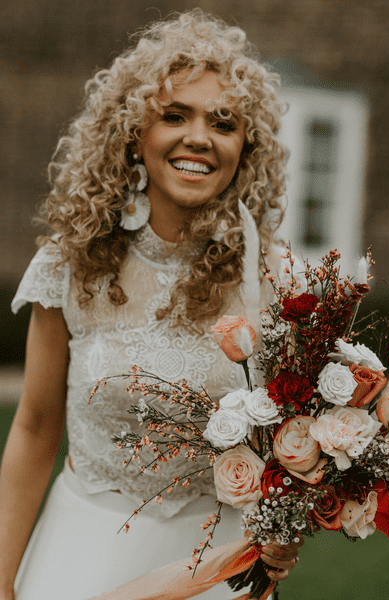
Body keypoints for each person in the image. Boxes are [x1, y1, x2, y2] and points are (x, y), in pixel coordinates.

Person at [0, 10, 302, 600]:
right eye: (173, 115)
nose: (199, 137)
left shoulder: (276, 278)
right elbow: (35, 428)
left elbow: (295, 435)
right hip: (83, 549)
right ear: (135, 133)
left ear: (245, 148)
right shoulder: (71, 264)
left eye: (223, 123)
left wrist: (284, 526)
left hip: (220, 565)